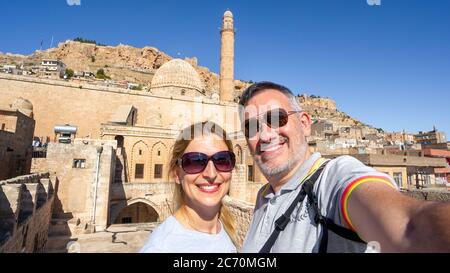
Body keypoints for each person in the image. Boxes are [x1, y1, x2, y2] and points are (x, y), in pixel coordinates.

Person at [238, 81, 450, 253]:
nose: (265, 135)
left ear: (304, 123)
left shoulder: (334, 179)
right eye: (252, 127)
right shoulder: (263, 197)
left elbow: (409, 225)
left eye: (276, 118)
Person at [140, 121, 237, 253]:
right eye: (195, 162)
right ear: (177, 173)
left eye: (222, 160)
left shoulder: (225, 227)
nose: (211, 174)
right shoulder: (161, 248)